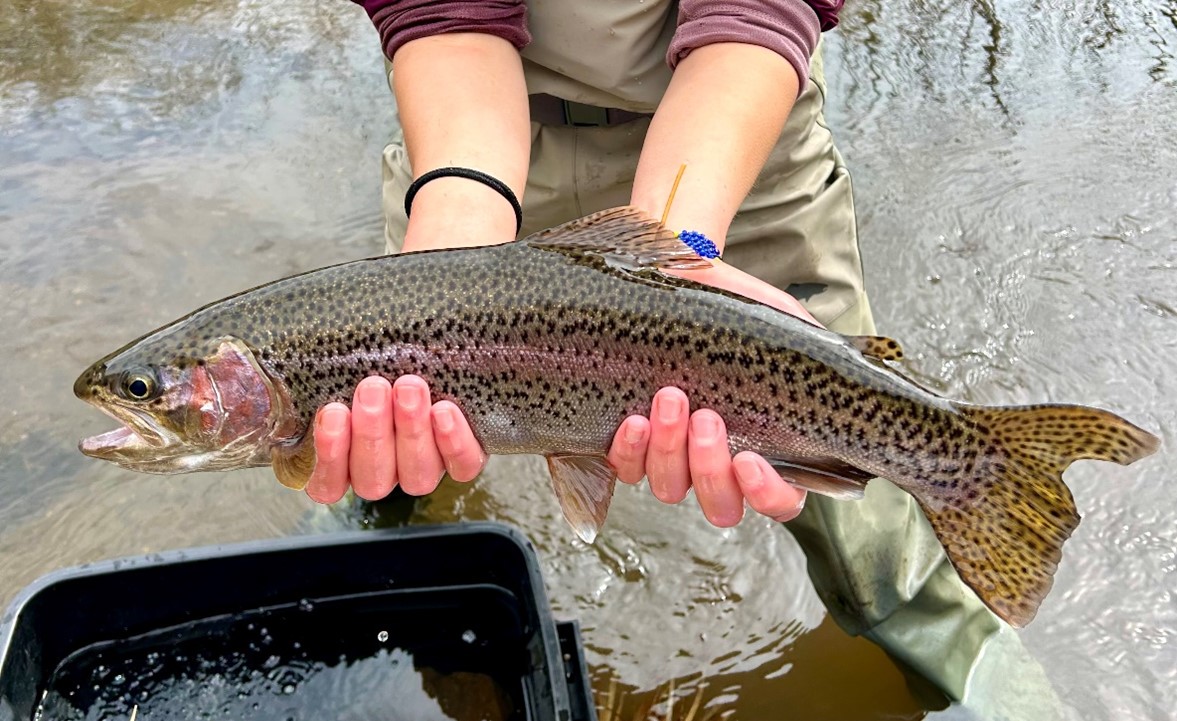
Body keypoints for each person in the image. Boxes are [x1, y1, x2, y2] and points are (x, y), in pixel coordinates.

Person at [306, 1, 1065, 717]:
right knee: (374, 444)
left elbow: (756, 11)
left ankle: (988, 678)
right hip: (464, 151)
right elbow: (445, 14)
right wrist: (455, 249)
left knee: (875, 531)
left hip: (739, 127)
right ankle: (327, 607)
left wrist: (679, 262)